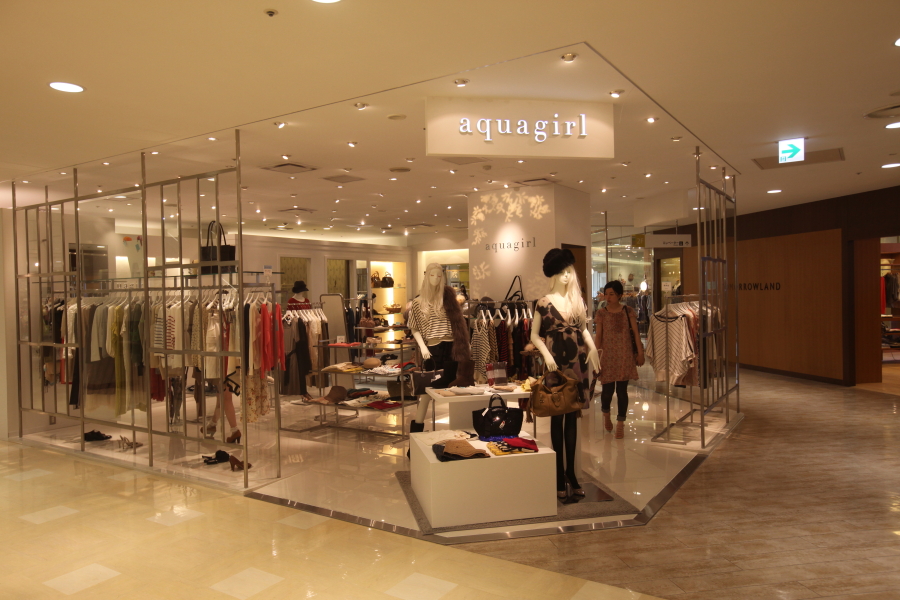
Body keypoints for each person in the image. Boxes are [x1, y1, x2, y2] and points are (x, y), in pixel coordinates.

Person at [531, 249, 601, 498]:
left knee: (572, 417)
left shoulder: (577, 301)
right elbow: (534, 336)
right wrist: (547, 356)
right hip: (555, 365)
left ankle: (571, 472)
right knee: (557, 415)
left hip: (577, 363)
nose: (566, 275)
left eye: (569, 271)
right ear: (553, 274)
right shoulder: (542, 303)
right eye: (561, 272)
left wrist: (593, 349)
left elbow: (584, 329)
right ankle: (558, 475)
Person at [407, 263, 472, 439]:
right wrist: (423, 347)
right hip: (432, 348)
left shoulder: (448, 298)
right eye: (432, 275)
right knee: (427, 390)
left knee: (454, 387)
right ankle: (417, 430)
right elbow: (414, 328)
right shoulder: (418, 302)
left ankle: (460, 432)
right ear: (426, 276)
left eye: (439, 275)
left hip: (452, 347)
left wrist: (465, 344)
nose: (436, 279)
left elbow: (458, 323)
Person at [594, 280, 644, 439]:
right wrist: (596, 356)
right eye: (606, 294)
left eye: (612, 294)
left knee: (622, 391)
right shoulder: (601, 313)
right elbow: (598, 336)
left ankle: (621, 423)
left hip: (624, 355)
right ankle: (606, 415)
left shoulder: (628, 311)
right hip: (607, 356)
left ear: (620, 295)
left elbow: (635, 333)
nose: (608, 297)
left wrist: (640, 353)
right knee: (607, 391)